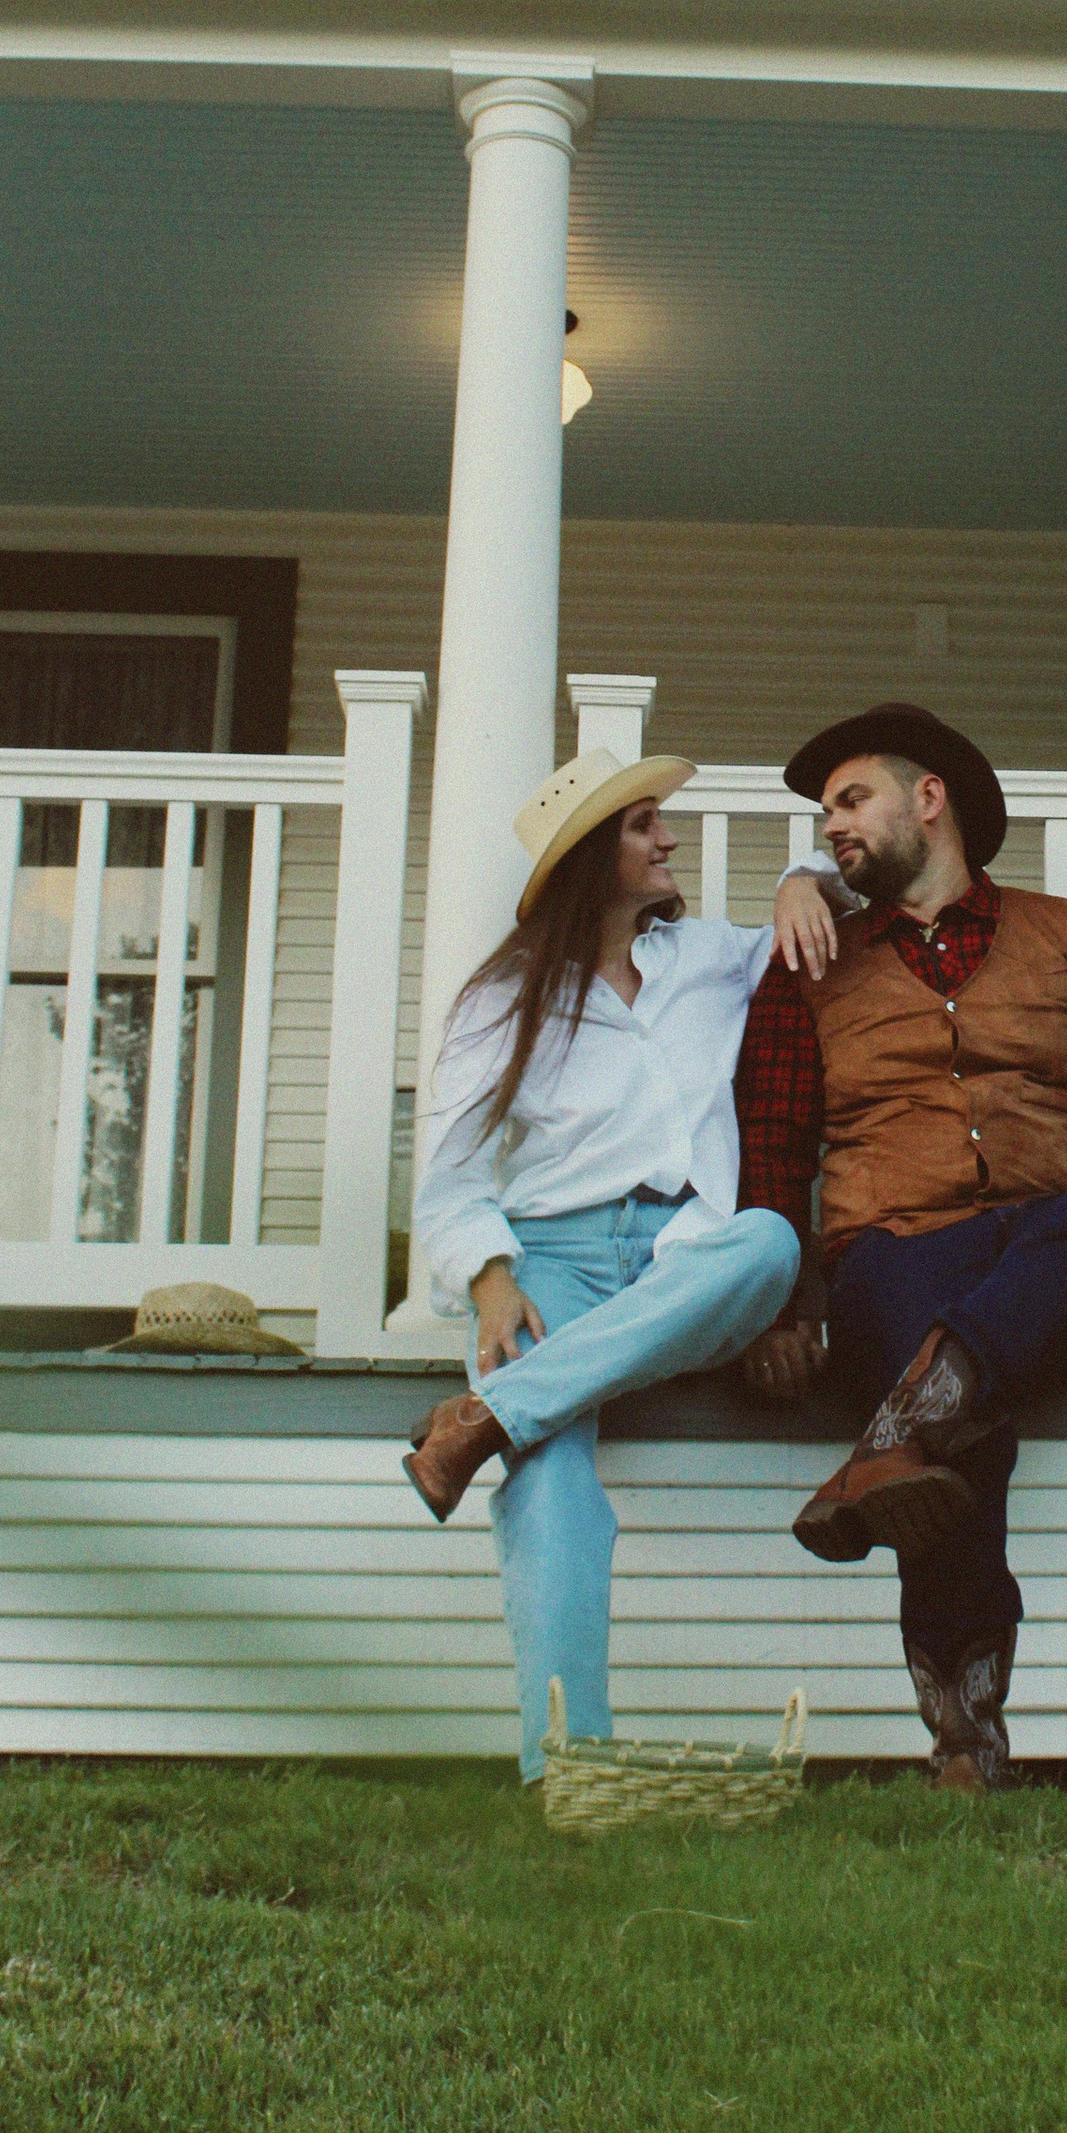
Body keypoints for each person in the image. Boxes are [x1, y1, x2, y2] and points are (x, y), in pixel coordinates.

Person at [738, 702, 1067, 1791]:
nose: (831, 826)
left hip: (1045, 1249)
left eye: (852, 800)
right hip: (892, 1250)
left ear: (928, 799)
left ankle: (896, 1444)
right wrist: (786, 1307)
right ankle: (966, 1735)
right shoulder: (813, 962)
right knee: (957, 1414)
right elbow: (772, 1146)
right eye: (825, 813)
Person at [404, 741, 842, 1780]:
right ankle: (570, 1767)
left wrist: (800, 880)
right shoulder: (502, 1000)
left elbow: (834, 901)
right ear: (593, 856)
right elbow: (450, 1181)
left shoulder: (708, 958)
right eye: (645, 825)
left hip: (686, 1256)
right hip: (549, 1259)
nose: (668, 838)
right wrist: (492, 1280)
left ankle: (485, 1419)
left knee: (770, 1243)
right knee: (551, 1476)